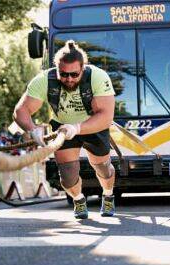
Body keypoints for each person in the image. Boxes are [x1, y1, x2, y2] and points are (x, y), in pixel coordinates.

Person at [14, 40, 116, 219]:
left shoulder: (98, 77)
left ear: (83, 68)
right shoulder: (44, 80)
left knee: (103, 168)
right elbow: (21, 110)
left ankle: (108, 195)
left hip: (92, 124)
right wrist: (32, 129)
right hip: (62, 127)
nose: (69, 79)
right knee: (67, 177)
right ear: (56, 69)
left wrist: (77, 128)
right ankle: (78, 199)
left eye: (74, 74)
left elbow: (106, 117)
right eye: (64, 74)